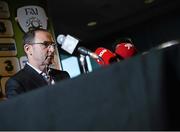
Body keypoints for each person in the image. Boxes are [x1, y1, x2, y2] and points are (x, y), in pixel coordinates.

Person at [5, 28, 70, 98]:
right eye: (46, 44)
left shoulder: (64, 75)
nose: (52, 49)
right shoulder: (16, 83)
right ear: (28, 49)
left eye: (53, 45)